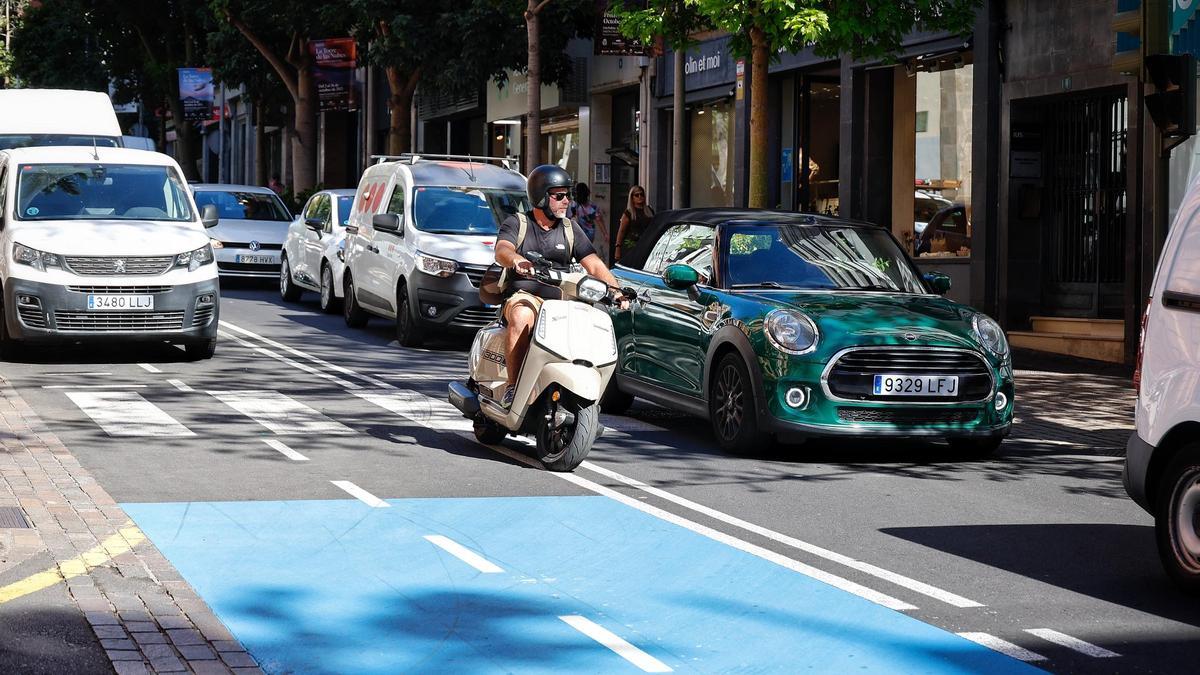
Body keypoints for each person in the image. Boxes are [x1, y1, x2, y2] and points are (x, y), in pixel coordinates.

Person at [494, 165, 629, 407]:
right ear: (541, 196)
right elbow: (502, 250)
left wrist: (617, 292)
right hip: (526, 296)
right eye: (559, 196)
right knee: (522, 316)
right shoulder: (518, 223)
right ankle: (513, 387)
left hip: (562, 301)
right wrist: (517, 260)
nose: (566, 201)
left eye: (568, 195)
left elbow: (595, 266)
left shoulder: (570, 229)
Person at [614, 185, 653, 262]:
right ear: (632, 198)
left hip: (646, 245)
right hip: (631, 246)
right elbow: (621, 231)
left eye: (641, 194)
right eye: (636, 195)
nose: (639, 197)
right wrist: (617, 248)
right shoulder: (628, 213)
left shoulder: (649, 211)